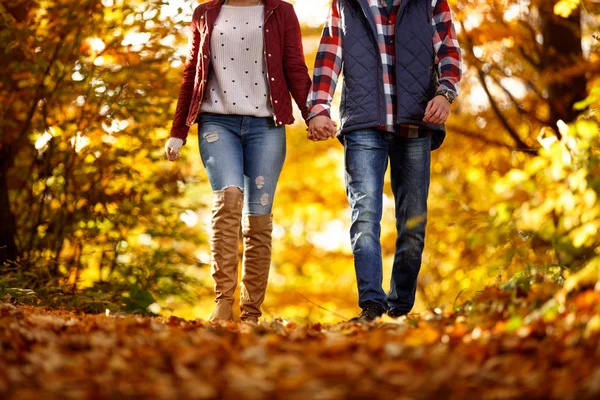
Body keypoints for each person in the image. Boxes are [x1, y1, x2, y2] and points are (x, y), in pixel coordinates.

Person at [307, 0, 462, 322]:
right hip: (364, 126)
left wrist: (445, 93)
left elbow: (448, 50)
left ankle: (400, 308)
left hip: (416, 122)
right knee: (364, 215)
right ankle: (372, 305)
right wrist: (319, 108)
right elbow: (329, 55)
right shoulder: (345, 3)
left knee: (413, 221)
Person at [166, 0, 311, 323]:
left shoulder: (281, 11)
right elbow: (193, 72)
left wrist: (313, 113)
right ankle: (223, 304)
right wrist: (179, 130)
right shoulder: (204, 13)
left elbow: (295, 68)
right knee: (228, 197)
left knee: (258, 217)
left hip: (267, 126)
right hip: (217, 123)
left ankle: (251, 313)